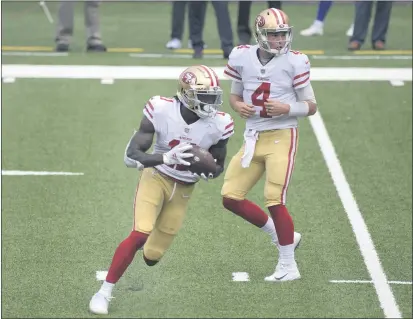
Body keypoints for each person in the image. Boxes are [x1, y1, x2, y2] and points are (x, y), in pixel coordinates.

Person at [89, 65, 234, 315]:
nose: (211, 103)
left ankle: (148, 253)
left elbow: (218, 166)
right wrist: (164, 158)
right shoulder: (161, 108)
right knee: (140, 233)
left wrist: (208, 169)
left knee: (152, 256)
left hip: (184, 189)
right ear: (187, 93)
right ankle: (104, 292)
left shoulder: (221, 124)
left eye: (213, 95)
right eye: (204, 96)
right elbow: (131, 155)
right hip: (156, 176)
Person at [222, 8, 318, 282]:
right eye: (274, 35)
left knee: (274, 199)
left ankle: (289, 266)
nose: (279, 40)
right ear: (261, 35)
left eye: (282, 34)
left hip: (281, 135)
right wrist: (239, 106)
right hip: (253, 135)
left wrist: (287, 107)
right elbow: (235, 96)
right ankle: (281, 235)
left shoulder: (295, 61)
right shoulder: (241, 56)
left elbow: (311, 106)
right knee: (230, 197)